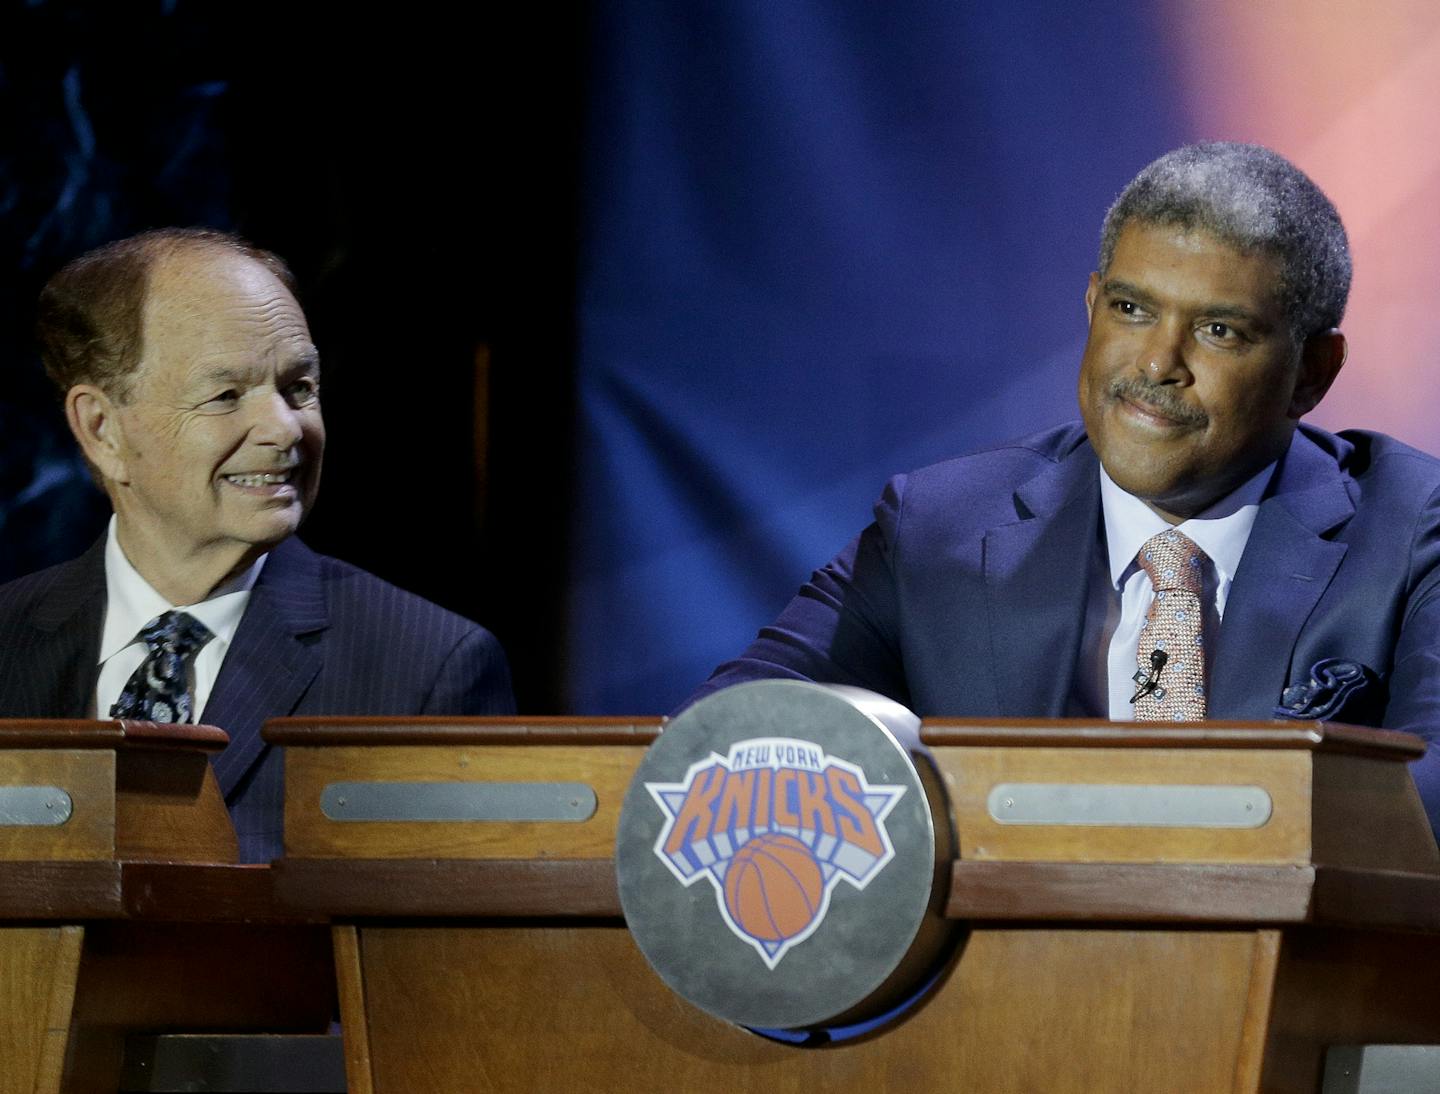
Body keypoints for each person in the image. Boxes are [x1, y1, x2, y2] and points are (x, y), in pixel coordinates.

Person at [688, 142, 1440, 840]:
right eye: (1131, 309)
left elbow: (1426, 809)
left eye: (1219, 331)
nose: (1156, 364)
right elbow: (726, 737)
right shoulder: (940, 527)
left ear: (1312, 372)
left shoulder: (1409, 530)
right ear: (1091, 307)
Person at [0, 228, 515, 861]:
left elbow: (443, 953)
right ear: (102, 429)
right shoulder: (8, 639)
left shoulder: (427, 671)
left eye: (299, 388)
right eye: (225, 396)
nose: (283, 428)